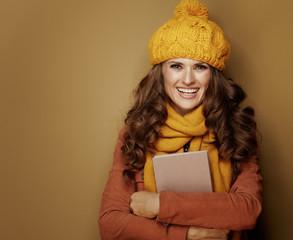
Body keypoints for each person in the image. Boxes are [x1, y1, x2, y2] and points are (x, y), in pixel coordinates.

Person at [98, 0, 262, 239]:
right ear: (161, 72)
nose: (187, 80)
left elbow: (248, 210)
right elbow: (110, 224)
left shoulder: (237, 129)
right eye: (176, 66)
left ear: (213, 75)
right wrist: (186, 234)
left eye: (200, 67)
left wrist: (161, 205)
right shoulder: (136, 132)